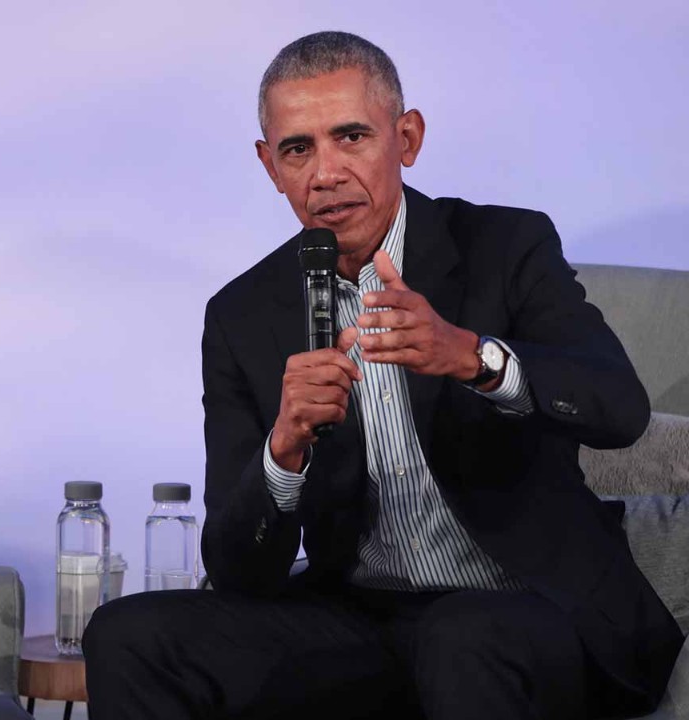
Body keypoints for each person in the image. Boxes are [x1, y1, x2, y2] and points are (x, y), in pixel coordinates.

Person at [83, 31, 683, 720]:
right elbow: (239, 569)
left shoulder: (504, 246)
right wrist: (283, 452)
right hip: (362, 620)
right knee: (130, 635)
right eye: (297, 149)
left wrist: (472, 357)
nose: (325, 173)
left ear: (407, 138)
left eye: (351, 137)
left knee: (462, 638)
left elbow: (619, 408)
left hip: (533, 611)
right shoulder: (241, 315)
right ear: (269, 165)